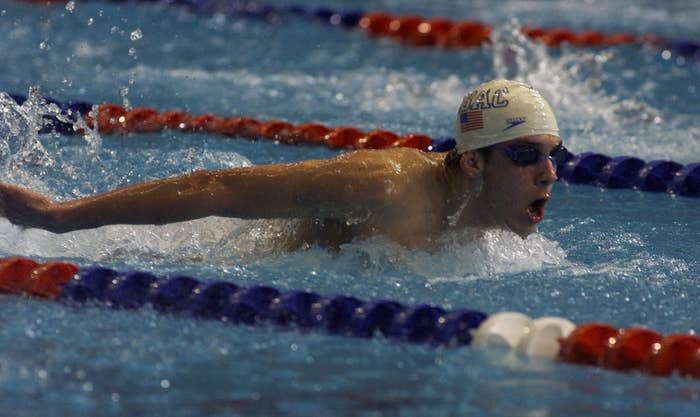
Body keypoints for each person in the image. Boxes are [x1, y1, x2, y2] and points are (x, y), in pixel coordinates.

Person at [0, 79, 566, 249]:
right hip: (229, 260)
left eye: (551, 156)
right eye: (525, 154)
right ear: (472, 164)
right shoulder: (388, 186)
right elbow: (217, 187)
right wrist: (58, 217)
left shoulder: (493, 223)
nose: (547, 174)